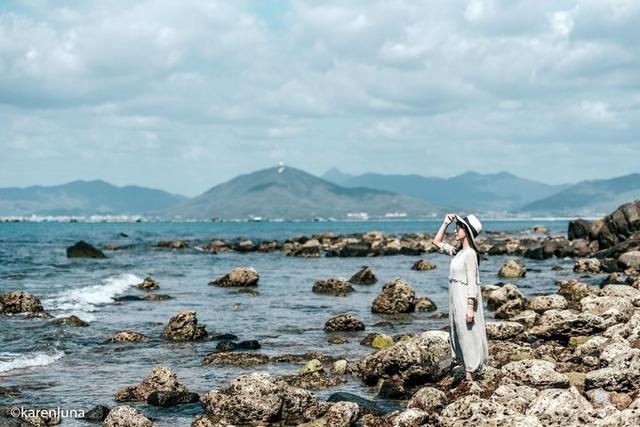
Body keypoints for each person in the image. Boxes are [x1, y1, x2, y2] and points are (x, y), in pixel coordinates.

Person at [432, 212, 489, 382]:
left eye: (458, 227)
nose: (455, 230)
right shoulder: (458, 252)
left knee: (467, 334)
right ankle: (467, 372)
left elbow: (473, 282)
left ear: (467, 231)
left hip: (464, 299)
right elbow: (436, 242)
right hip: (455, 298)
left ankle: (469, 377)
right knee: (458, 333)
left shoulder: (470, 254)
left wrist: (470, 307)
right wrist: (445, 223)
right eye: (456, 227)